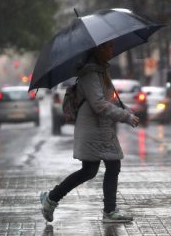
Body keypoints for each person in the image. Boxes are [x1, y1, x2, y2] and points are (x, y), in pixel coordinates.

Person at [40, 41, 140, 223]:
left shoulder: (100, 71)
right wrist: (124, 116)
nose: (112, 50)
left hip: (99, 128)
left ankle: (52, 199)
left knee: (92, 170)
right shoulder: (91, 73)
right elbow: (99, 104)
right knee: (101, 167)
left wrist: (126, 110)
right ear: (99, 49)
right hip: (93, 129)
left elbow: (105, 100)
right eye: (109, 47)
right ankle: (108, 211)